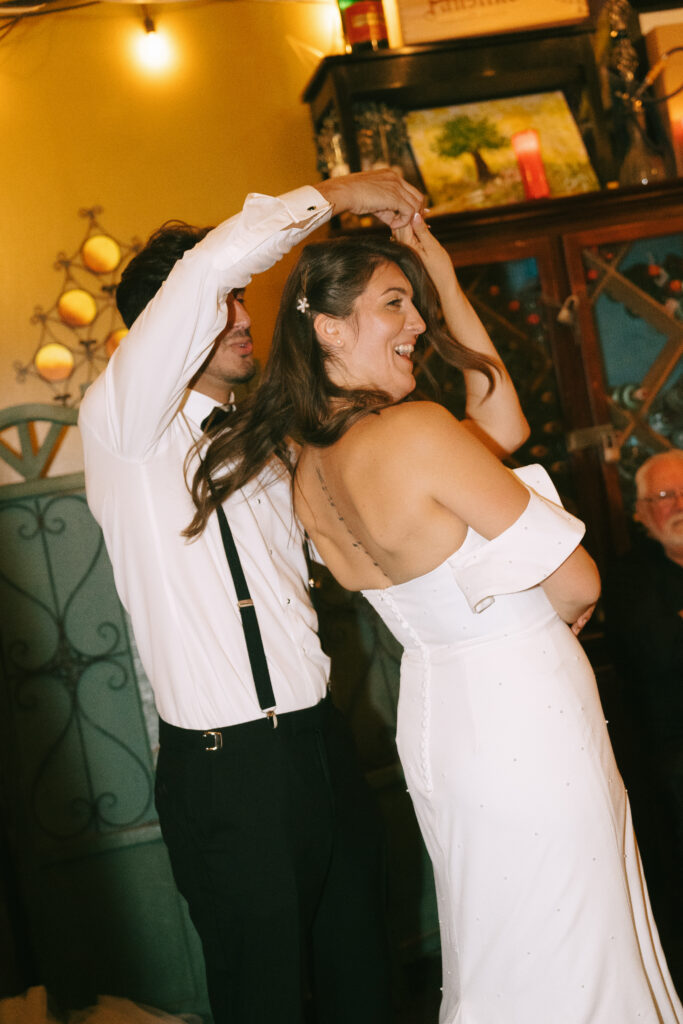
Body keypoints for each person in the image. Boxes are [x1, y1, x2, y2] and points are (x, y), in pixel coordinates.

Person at [191, 216, 683, 1023]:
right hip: (521, 703)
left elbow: (503, 430)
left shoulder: (306, 462)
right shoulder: (416, 432)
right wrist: (537, 627)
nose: (418, 322)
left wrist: (441, 275)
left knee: (501, 939)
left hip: (441, 715)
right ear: (329, 327)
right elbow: (577, 582)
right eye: (396, 303)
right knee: (572, 932)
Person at [78, 169, 427, 1024]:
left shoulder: (269, 437)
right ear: (172, 323)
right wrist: (337, 195)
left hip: (322, 749)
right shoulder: (123, 433)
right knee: (263, 999)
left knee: (365, 981)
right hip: (226, 777)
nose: (242, 316)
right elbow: (202, 275)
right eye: (226, 302)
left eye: (242, 300)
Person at [603, 449, 683, 991]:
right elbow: (662, 658)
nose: (680, 505)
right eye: (664, 496)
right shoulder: (629, 579)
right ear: (639, 514)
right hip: (671, 759)